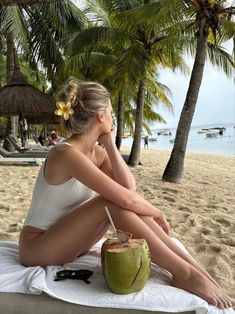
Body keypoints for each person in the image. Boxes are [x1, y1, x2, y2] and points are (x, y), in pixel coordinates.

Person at [19, 79, 234, 309]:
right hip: (37, 248)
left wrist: (110, 145)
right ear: (101, 116)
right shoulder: (66, 153)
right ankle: (185, 273)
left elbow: (128, 188)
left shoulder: (96, 153)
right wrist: (157, 212)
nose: (113, 116)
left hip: (67, 244)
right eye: (111, 111)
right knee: (108, 204)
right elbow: (124, 198)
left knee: (116, 203)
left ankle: (193, 269)